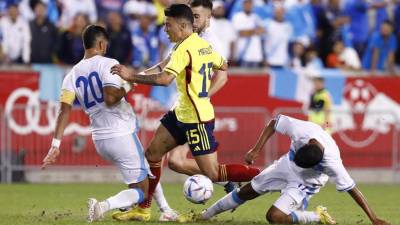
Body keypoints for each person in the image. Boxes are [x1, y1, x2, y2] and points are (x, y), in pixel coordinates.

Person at [111, 3, 260, 221]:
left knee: (213, 173)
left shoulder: (186, 48)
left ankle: (267, 175)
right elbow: (223, 65)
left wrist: (131, 77)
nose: (165, 30)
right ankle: (143, 209)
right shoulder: (202, 46)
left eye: (168, 25)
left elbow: (164, 79)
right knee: (153, 155)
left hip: (197, 119)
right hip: (181, 112)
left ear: (182, 26)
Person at [179, 115, 391, 225]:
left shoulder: (333, 162)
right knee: (247, 192)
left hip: (306, 183)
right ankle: (204, 216)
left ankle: (317, 217)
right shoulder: (303, 130)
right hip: (286, 165)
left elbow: (352, 189)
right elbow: (274, 122)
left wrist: (373, 218)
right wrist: (255, 149)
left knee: (274, 217)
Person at [41, 25, 155, 222]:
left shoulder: (72, 74)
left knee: (142, 172)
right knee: (142, 192)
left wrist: (55, 145)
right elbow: (111, 98)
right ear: (102, 44)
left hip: (100, 139)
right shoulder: (108, 63)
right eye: (106, 45)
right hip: (121, 134)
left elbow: (64, 111)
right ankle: (103, 206)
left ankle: (165, 208)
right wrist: (128, 84)